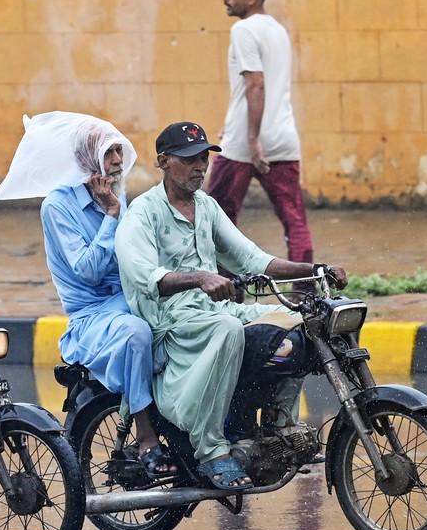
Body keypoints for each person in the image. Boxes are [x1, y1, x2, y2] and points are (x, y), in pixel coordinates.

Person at [115, 121, 346, 491]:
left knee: (297, 321)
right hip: (172, 322)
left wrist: (314, 269)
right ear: (163, 161)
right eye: (190, 159)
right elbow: (146, 277)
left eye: (204, 158)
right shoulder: (142, 214)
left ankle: (278, 424)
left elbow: (252, 259)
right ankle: (210, 450)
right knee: (228, 329)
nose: (200, 167)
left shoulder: (206, 207)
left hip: (214, 312)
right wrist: (200, 277)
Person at [0, 112, 175, 478]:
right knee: (137, 334)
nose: (118, 161)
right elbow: (89, 270)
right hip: (92, 316)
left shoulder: (116, 197)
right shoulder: (58, 206)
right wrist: (110, 216)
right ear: (86, 159)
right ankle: (144, 435)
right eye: (109, 154)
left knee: (189, 322)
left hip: (128, 300)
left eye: (119, 153)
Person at [205, 0, 313, 265]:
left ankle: (226, 292)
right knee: (295, 221)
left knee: (216, 219)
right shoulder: (277, 29)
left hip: (245, 143)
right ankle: (306, 292)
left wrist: (251, 138)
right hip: (283, 139)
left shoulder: (243, 29)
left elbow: (255, 84)